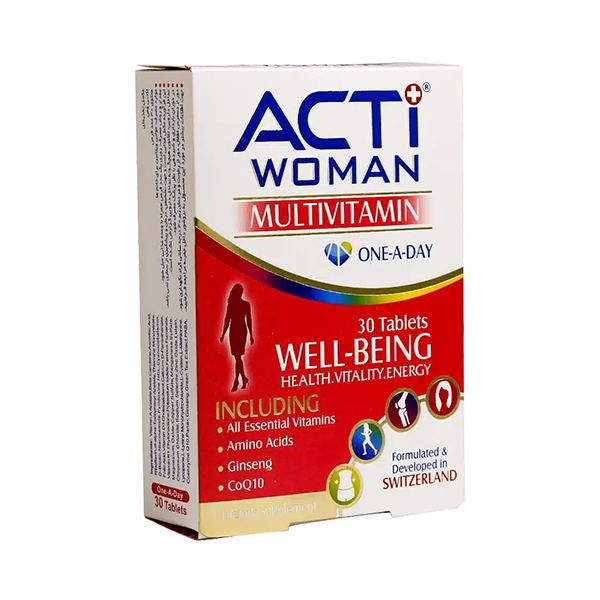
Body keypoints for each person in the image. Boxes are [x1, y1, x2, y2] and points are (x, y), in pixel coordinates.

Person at [220, 284, 254, 392]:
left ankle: (236, 381)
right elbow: (227, 320)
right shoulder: (231, 305)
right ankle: (243, 378)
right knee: (237, 357)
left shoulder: (245, 304)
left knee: (238, 357)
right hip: (234, 331)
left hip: (240, 331)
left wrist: (251, 335)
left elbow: (249, 320)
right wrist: (223, 334)